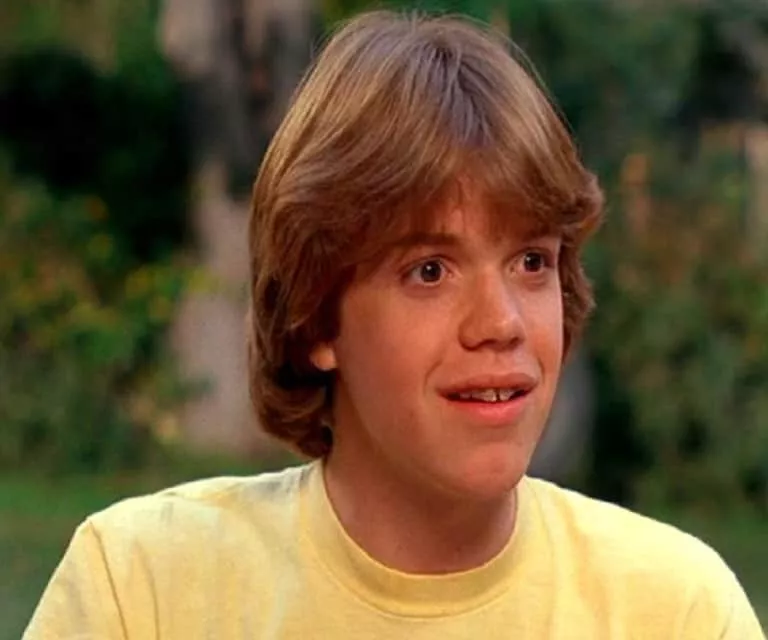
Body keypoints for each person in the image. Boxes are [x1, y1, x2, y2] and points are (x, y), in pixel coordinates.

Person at [24, 10, 764, 639]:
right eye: (430, 271)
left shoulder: (675, 610)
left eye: (531, 262)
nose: (502, 322)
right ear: (318, 319)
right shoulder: (142, 592)